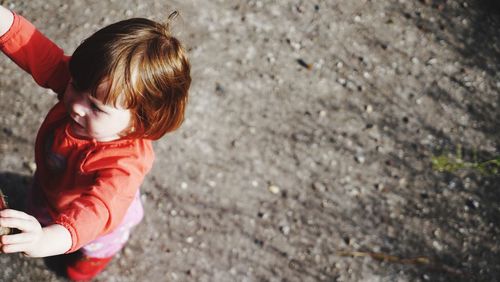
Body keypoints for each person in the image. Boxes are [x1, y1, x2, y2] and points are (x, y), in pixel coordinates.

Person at [0, 5, 190, 280]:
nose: (75, 105)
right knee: (36, 209)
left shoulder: (124, 166)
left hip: (93, 224)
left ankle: (80, 272)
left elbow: (95, 213)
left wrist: (45, 241)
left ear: (140, 121)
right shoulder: (88, 88)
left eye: (97, 108)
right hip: (51, 188)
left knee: (88, 256)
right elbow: (35, 49)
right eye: (75, 85)